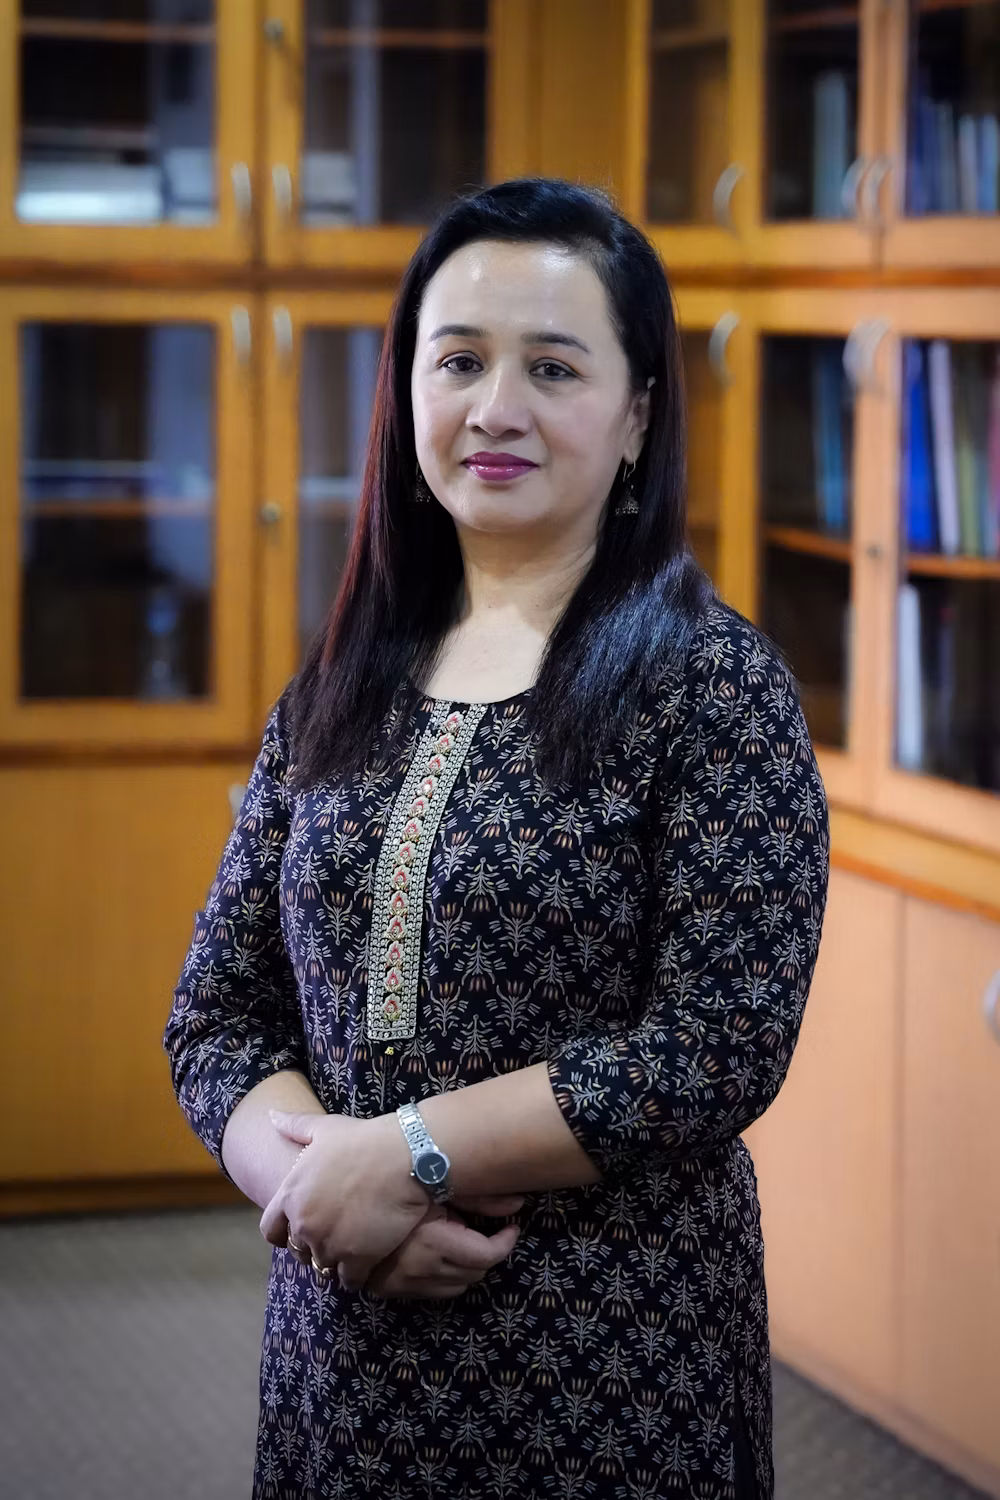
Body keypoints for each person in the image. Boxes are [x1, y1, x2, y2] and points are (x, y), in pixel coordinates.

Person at [165, 176, 829, 1500]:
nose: (495, 407)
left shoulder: (712, 684)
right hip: (342, 1346)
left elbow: (714, 1047)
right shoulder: (344, 678)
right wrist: (322, 1197)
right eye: (458, 359)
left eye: (553, 367)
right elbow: (218, 1018)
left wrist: (408, 1152)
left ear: (638, 411)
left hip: (606, 1364)